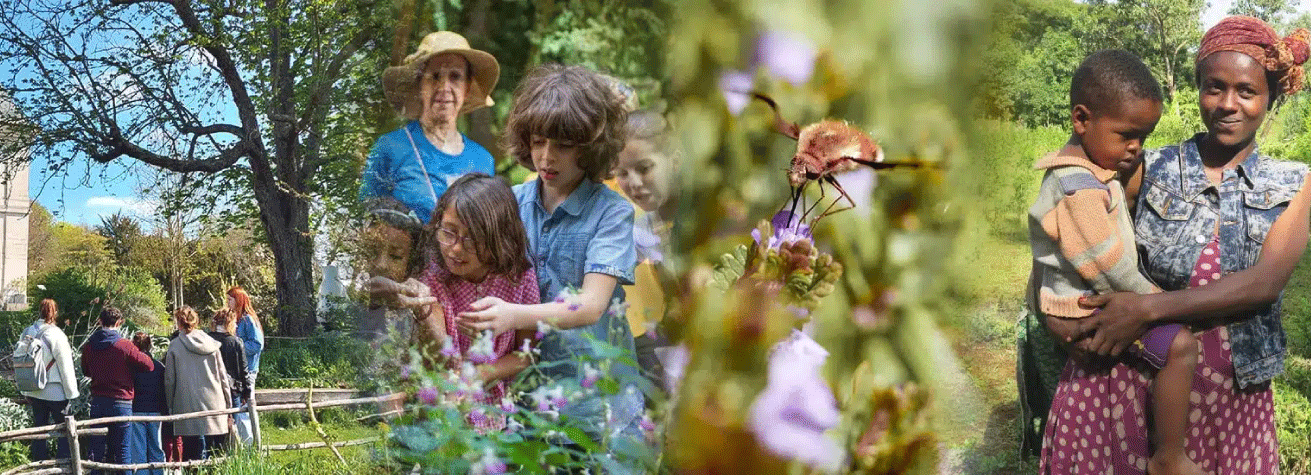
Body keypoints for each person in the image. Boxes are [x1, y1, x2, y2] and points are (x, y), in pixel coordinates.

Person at [1040, 16, 1311, 475]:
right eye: (1214, 87)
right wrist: (1050, 313)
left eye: (1247, 91)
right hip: (1126, 383)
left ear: (1272, 97)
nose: (1228, 104)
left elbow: (1264, 284)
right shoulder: (1146, 165)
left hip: (1233, 400)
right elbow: (1066, 229)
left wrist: (1146, 309)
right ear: (1198, 88)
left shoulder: (1295, 184)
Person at [456, 64, 645, 471]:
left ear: (591, 146)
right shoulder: (509, 204)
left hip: (599, 409)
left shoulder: (611, 213)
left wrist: (512, 315)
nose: (546, 156)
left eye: (563, 145)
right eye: (538, 141)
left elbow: (591, 306)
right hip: (529, 406)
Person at [1025, 50, 1203, 475]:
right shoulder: (1079, 189)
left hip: (1082, 303)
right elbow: (1108, 265)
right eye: (1126, 135)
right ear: (1081, 119)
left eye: (1144, 136)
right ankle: (1169, 457)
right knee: (1180, 346)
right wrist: (1156, 302)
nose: (1136, 148)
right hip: (1086, 310)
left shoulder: (1089, 174)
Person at [416, 173, 540, 432]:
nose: (455, 248)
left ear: (500, 238)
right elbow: (432, 356)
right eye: (449, 232)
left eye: (472, 238)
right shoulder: (431, 278)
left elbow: (526, 354)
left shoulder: (518, 278)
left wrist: (481, 375)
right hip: (439, 403)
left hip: (493, 412)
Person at [362, 30, 501, 224]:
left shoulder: (483, 161)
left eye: (455, 77)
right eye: (435, 76)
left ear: (467, 88)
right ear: (419, 85)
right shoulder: (389, 148)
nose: (444, 87)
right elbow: (364, 222)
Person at [613, 109, 676, 394]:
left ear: (675, 161)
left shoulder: (709, 213)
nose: (634, 184)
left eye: (644, 168)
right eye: (622, 173)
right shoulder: (642, 229)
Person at [82, 306, 154, 474]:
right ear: (119, 323)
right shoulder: (124, 345)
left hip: (98, 401)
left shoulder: (89, 346)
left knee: (96, 450)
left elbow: (86, 371)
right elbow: (149, 365)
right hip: (121, 402)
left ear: (100, 321)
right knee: (123, 450)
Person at [165, 306, 232, 461]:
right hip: (214, 403)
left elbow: (169, 380)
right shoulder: (212, 344)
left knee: (191, 455)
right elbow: (223, 377)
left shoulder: (175, 346)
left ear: (178, 323)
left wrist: (170, 405)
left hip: (186, 404)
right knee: (216, 454)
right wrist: (228, 405)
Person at [17, 299, 78, 462]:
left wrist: (24, 389)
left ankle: (39, 462)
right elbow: (66, 366)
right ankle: (63, 463)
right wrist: (71, 393)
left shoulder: (27, 332)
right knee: (64, 429)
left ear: (39, 311)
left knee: (39, 428)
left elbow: (21, 361)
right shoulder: (57, 334)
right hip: (55, 391)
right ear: (55, 313)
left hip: (33, 389)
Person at [207, 307, 249, 455]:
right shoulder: (236, 342)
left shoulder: (207, 340)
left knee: (211, 427)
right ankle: (229, 456)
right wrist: (246, 393)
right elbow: (243, 371)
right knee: (231, 426)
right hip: (232, 390)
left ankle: (211, 455)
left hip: (210, 388)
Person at [227, 285, 263, 445]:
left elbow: (257, 344)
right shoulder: (237, 320)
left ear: (239, 301)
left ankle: (250, 445)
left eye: (230, 300)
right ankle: (241, 444)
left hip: (248, 371)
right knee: (238, 407)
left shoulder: (248, 320)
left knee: (245, 407)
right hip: (237, 370)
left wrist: (237, 347)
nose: (228, 303)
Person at [127, 333, 165, 475]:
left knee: (138, 449)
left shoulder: (131, 366)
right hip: (155, 410)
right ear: (149, 345)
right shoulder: (158, 366)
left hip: (137, 409)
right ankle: (158, 472)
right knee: (156, 446)